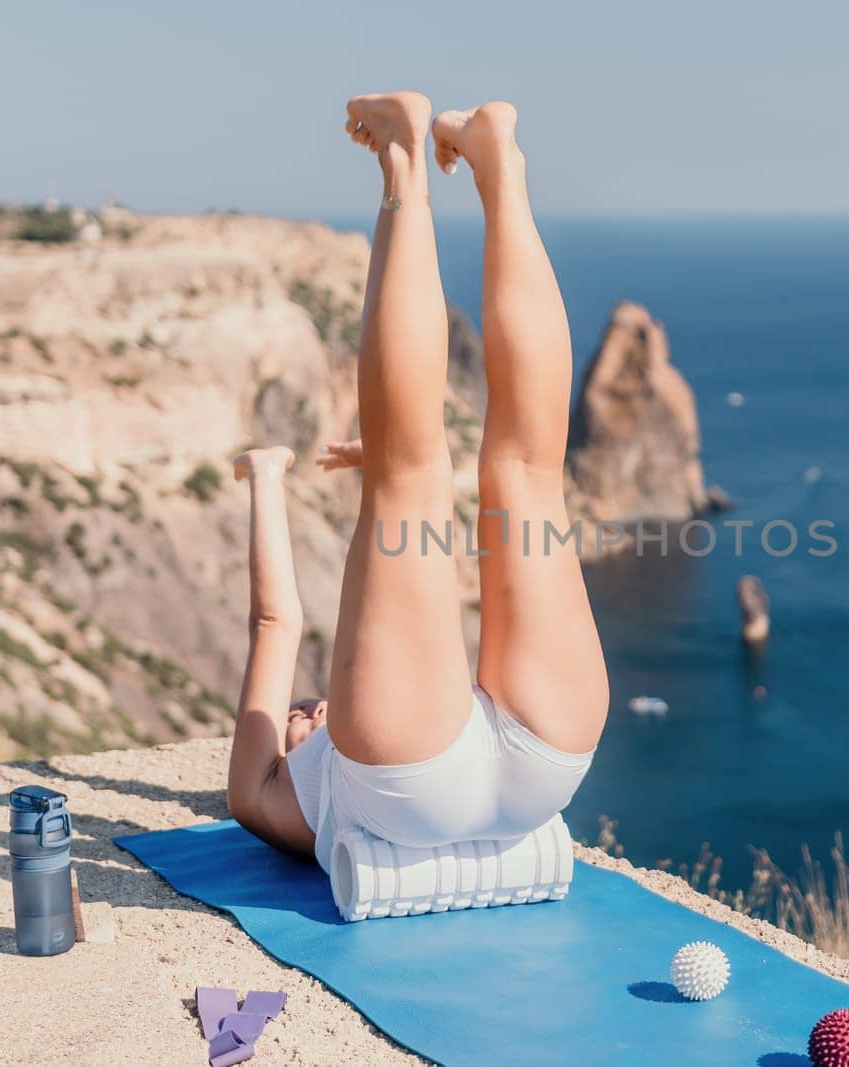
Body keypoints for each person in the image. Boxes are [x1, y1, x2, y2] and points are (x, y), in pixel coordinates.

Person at [223, 92, 608, 863]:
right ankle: (412, 159)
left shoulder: (272, 799)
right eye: (304, 713)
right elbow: (276, 624)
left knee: (512, 472)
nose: (305, 709)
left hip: (537, 768)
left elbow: (281, 624)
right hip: (419, 771)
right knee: (490, 472)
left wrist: (277, 477)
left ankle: (492, 166)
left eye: (298, 714)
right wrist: (264, 476)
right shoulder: (269, 791)